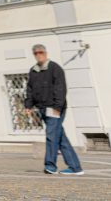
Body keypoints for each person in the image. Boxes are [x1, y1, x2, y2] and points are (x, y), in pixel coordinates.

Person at [25, 44, 83, 176]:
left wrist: (57, 107)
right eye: (36, 53)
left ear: (45, 53)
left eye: (41, 52)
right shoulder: (33, 71)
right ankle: (75, 167)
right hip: (42, 108)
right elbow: (30, 90)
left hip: (54, 108)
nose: (39, 55)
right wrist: (28, 105)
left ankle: (50, 165)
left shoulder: (55, 68)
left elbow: (60, 89)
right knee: (60, 137)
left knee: (51, 135)